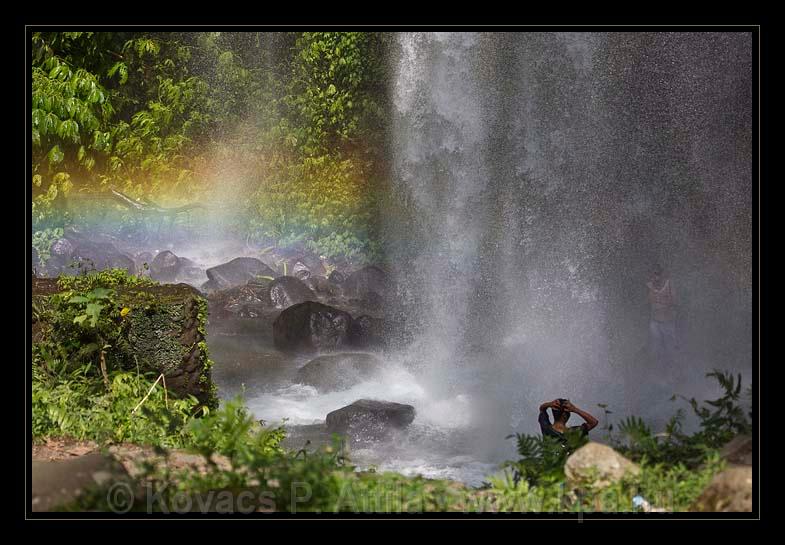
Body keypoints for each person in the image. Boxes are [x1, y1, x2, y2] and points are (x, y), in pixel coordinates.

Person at [647, 264, 678, 370]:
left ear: (662, 274)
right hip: (655, 322)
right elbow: (649, 301)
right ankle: (656, 370)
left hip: (668, 321)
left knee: (670, 348)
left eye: (658, 274)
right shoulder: (650, 286)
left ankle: (672, 370)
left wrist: (662, 302)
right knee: (655, 348)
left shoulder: (669, 284)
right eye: (654, 274)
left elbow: (674, 301)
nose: (656, 277)